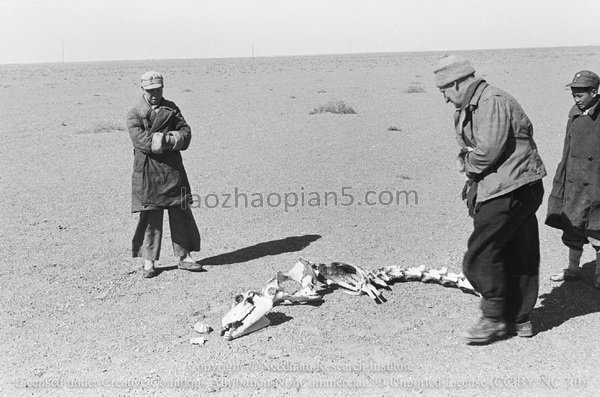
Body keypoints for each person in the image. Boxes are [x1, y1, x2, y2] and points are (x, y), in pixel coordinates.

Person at [433, 55, 547, 344]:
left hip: (510, 189)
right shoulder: (471, 105)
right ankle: (521, 319)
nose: (445, 99)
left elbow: (486, 152)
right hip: (515, 186)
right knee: (517, 251)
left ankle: (493, 318)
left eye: (445, 91)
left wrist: (467, 165)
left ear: (457, 82)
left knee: (480, 256)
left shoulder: (491, 102)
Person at [126, 71, 202, 278]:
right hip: (149, 172)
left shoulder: (172, 108)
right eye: (150, 91)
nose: (154, 94)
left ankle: (184, 256)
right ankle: (148, 261)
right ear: (143, 90)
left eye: (158, 90)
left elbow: (186, 134)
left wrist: (166, 140)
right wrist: (170, 140)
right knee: (151, 215)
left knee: (180, 212)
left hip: (172, 171)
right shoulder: (135, 114)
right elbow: (142, 141)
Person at [546, 70, 600, 288]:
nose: (576, 99)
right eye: (574, 94)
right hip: (574, 177)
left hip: (596, 179)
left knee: (597, 227)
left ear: (594, 92)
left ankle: (599, 275)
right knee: (573, 224)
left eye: (580, 95)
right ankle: (573, 268)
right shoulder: (575, 113)